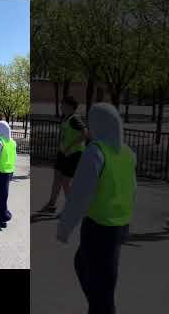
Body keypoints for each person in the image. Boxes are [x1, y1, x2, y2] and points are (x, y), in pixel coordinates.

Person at [57, 102, 137, 314]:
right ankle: (99, 307)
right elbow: (133, 189)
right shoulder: (127, 153)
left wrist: (65, 228)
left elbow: (79, 197)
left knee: (102, 287)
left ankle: (101, 309)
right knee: (89, 269)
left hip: (99, 227)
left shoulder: (95, 152)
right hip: (119, 226)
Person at [38, 96, 88, 214]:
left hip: (73, 154)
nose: (60, 106)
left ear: (69, 106)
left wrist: (70, 146)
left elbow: (85, 133)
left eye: (63, 105)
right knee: (57, 179)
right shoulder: (66, 118)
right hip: (63, 153)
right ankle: (51, 204)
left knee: (66, 182)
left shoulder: (75, 119)